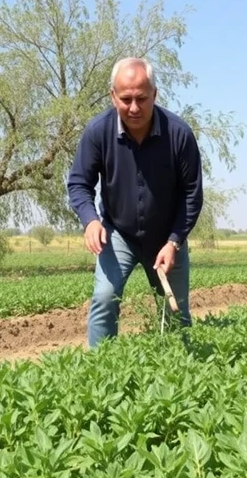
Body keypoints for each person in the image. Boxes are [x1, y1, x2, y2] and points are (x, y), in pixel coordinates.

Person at [66, 57, 203, 347]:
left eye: (142, 98)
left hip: (166, 237)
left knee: (175, 311)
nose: (134, 107)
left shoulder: (179, 134)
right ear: (112, 95)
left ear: (155, 93)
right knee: (104, 298)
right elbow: (79, 183)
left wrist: (175, 241)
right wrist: (90, 219)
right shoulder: (98, 132)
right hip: (119, 234)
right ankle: (99, 370)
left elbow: (192, 194)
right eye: (125, 99)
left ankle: (179, 368)